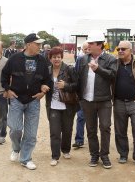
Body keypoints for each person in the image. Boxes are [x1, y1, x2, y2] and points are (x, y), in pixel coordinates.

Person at [1, 33, 50, 170]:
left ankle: (25, 158)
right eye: (37, 44)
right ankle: (16, 148)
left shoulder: (42, 60)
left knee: (31, 133)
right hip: (17, 99)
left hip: (34, 100)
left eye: (40, 44)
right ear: (29, 44)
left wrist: (43, 90)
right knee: (15, 129)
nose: (40, 47)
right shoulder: (14, 58)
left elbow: (46, 79)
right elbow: (4, 75)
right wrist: (7, 89)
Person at [77, 30, 116, 169]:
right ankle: (94, 155)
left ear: (100, 45)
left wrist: (98, 69)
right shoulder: (83, 59)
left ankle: (104, 155)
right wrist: (79, 97)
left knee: (105, 127)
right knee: (91, 129)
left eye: (91, 43)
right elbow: (78, 78)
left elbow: (112, 75)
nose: (89, 45)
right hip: (87, 101)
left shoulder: (111, 59)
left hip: (104, 100)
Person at [45, 47, 79, 166]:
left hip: (67, 105)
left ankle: (65, 150)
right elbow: (42, 83)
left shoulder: (69, 69)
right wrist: (43, 87)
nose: (56, 59)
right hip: (53, 106)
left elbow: (77, 85)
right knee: (54, 131)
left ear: (61, 57)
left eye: (58, 57)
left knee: (67, 129)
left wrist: (66, 85)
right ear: (50, 59)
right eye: (54, 57)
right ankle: (55, 156)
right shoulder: (47, 70)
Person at [72, 42, 90, 148]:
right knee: (80, 117)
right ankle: (79, 140)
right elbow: (76, 75)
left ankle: (93, 139)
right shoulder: (80, 60)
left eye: (89, 48)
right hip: (82, 94)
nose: (88, 50)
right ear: (82, 50)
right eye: (85, 49)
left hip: (95, 95)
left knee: (93, 119)